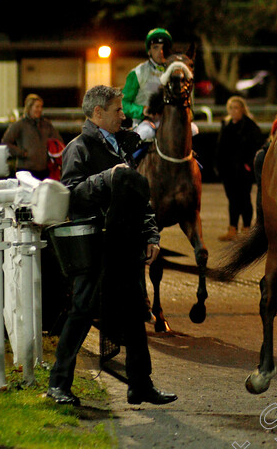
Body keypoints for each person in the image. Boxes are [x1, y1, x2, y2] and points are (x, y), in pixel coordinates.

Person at [47, 85, 176, 407]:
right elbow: (72, 195)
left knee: (134, 315)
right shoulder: (79, 148)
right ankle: (58, 384)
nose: (124, 114)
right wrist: (108, 178)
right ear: (98, 113)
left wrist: (151, 234)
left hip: (123, 244)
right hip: (95, 246)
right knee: (81, 313)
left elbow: (139, 198)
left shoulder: (117, 146)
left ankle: (140, 384)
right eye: (118, 109)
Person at [253, 113, 277, 314]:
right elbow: (264, 188)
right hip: (271, 213)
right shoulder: (264, 155)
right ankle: (272, 295)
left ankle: (276, 295)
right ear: (273, 133)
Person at [217, 96, 263, 241]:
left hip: (243, 171)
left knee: (244, 198)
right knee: (232, 199)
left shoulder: (251, 126)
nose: (234, 111)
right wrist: (219, 166)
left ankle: (246, 229)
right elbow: (220, 148)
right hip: (229, 171)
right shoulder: (226, 125)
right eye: (231, 108)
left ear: (243, 109)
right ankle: (232, 228)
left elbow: (257, 147)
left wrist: (249, 165)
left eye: (236, 108)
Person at [122, 28, 172, 141]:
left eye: (164, 47)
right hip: (144, 122)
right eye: (156, 48)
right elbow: (123, 103)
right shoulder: (137, 73)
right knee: (146, 134)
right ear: (149, 51)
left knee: (193, 130)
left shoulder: (176, 72)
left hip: (170, 121)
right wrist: (142, 110)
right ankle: (130, 159)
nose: (161, 52)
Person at [1, 93, 63, 180]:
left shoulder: (46, 125)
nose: (40, 109)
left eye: (41, 107)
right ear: (29, 107)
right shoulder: (20, 125)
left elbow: (58, 141)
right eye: (37, 107)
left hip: (44, 170)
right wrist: (21, 153)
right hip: (26, 170)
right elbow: (6, 143)